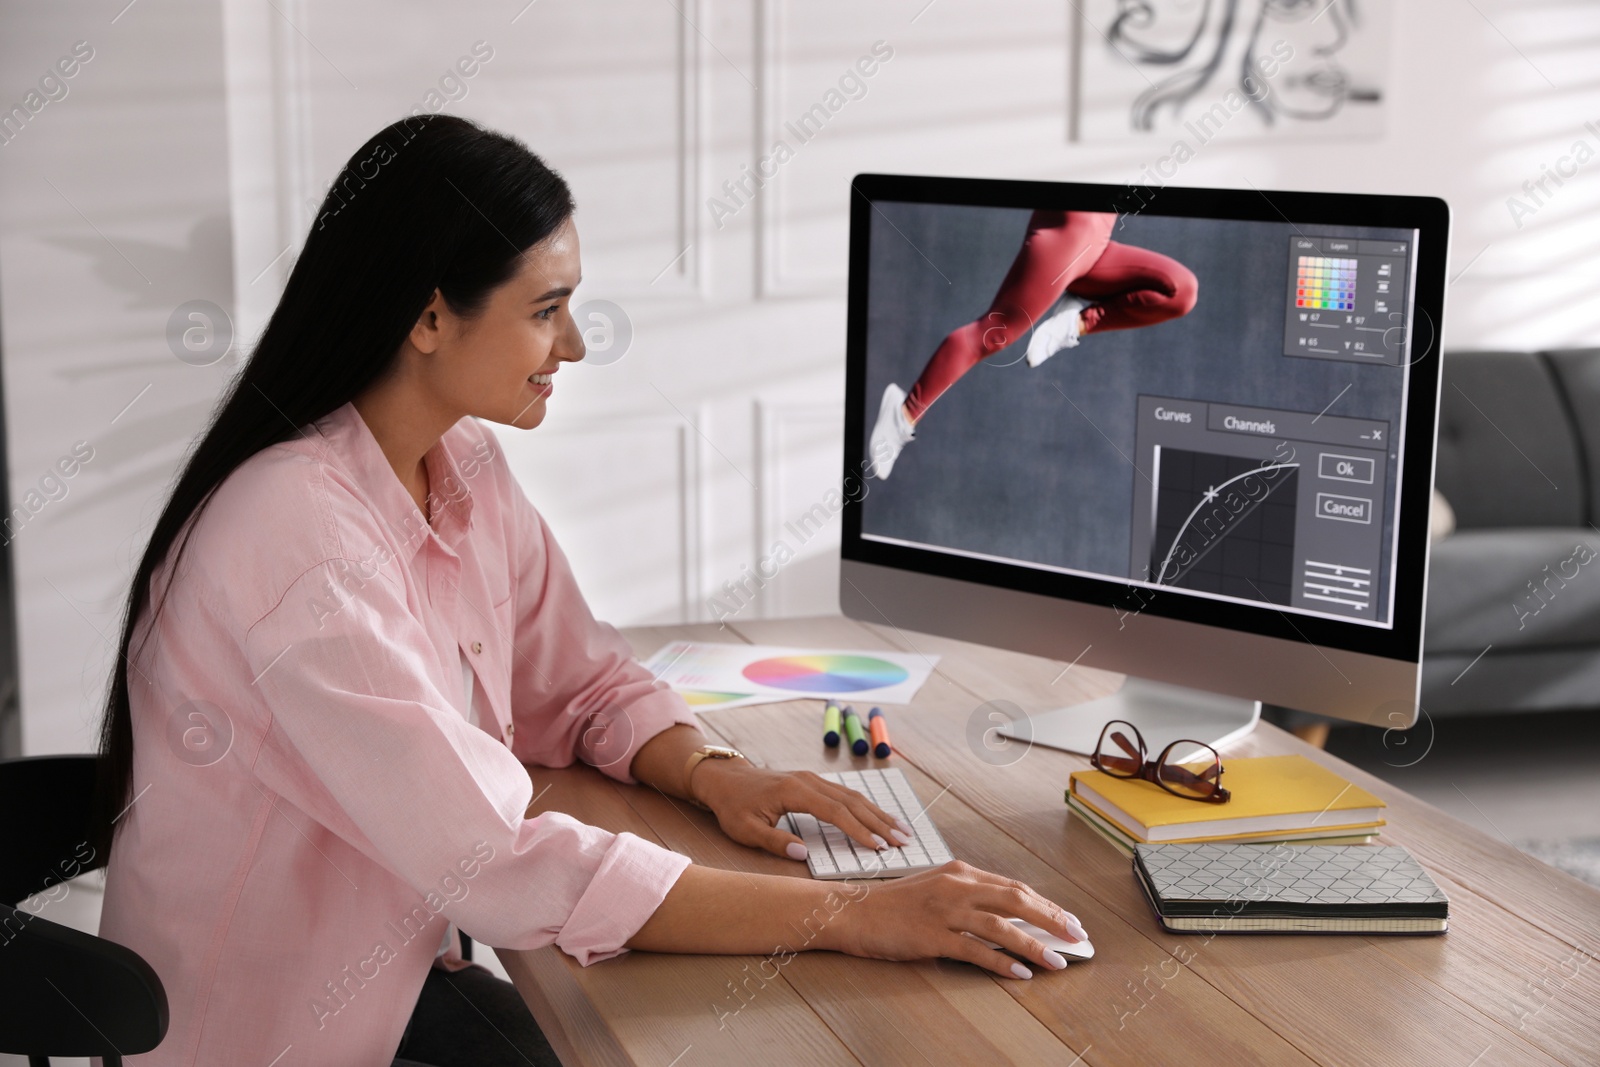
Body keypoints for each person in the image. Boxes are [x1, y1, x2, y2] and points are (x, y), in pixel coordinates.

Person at [92, 115, 1089, 1066]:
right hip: (279, 1028)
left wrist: (713, 773)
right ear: (429, 316)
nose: (571, 345)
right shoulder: (292, 533)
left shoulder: (461, 464)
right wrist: (862, 911)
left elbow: (576, 681)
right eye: (543, 309)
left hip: (399, 976)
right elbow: (492, 861)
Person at [869, 209, 1198, 479]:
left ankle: (1075, 320)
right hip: (1067, 234)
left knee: (1181, 290)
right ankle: (904, 412)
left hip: (1096, 245)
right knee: (993, 335)